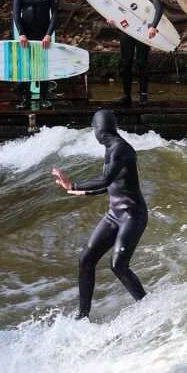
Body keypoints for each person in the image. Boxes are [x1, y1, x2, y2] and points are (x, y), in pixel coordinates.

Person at [51, 110, 148, 320]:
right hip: (115, 214)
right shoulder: (111, 148)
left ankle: (149, 307)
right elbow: (111, 185)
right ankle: (83, 316)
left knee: (119, 265)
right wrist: (78, 191)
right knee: (86, 259)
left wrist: (73, 184)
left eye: (93, 129)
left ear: (99, 129)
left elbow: (104, 180)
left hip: (132, 215)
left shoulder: (120, 149)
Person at [112, 0, 165, 105]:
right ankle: (126, 95)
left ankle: (143, 95)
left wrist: (153, 26)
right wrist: (112, 19)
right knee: (126, 62)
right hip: (127, 30)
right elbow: (117, 5)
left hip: (143, 31)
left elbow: (159, 8)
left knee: (142, 62)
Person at [11, 0, 59, 108]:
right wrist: (21, 34)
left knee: (42, 65)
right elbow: (16, 14)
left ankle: (44, 97)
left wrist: (49, 34)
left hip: (43, 34)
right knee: (26, 65)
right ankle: (26, 99)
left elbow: (56, 14)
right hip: (27, 34)